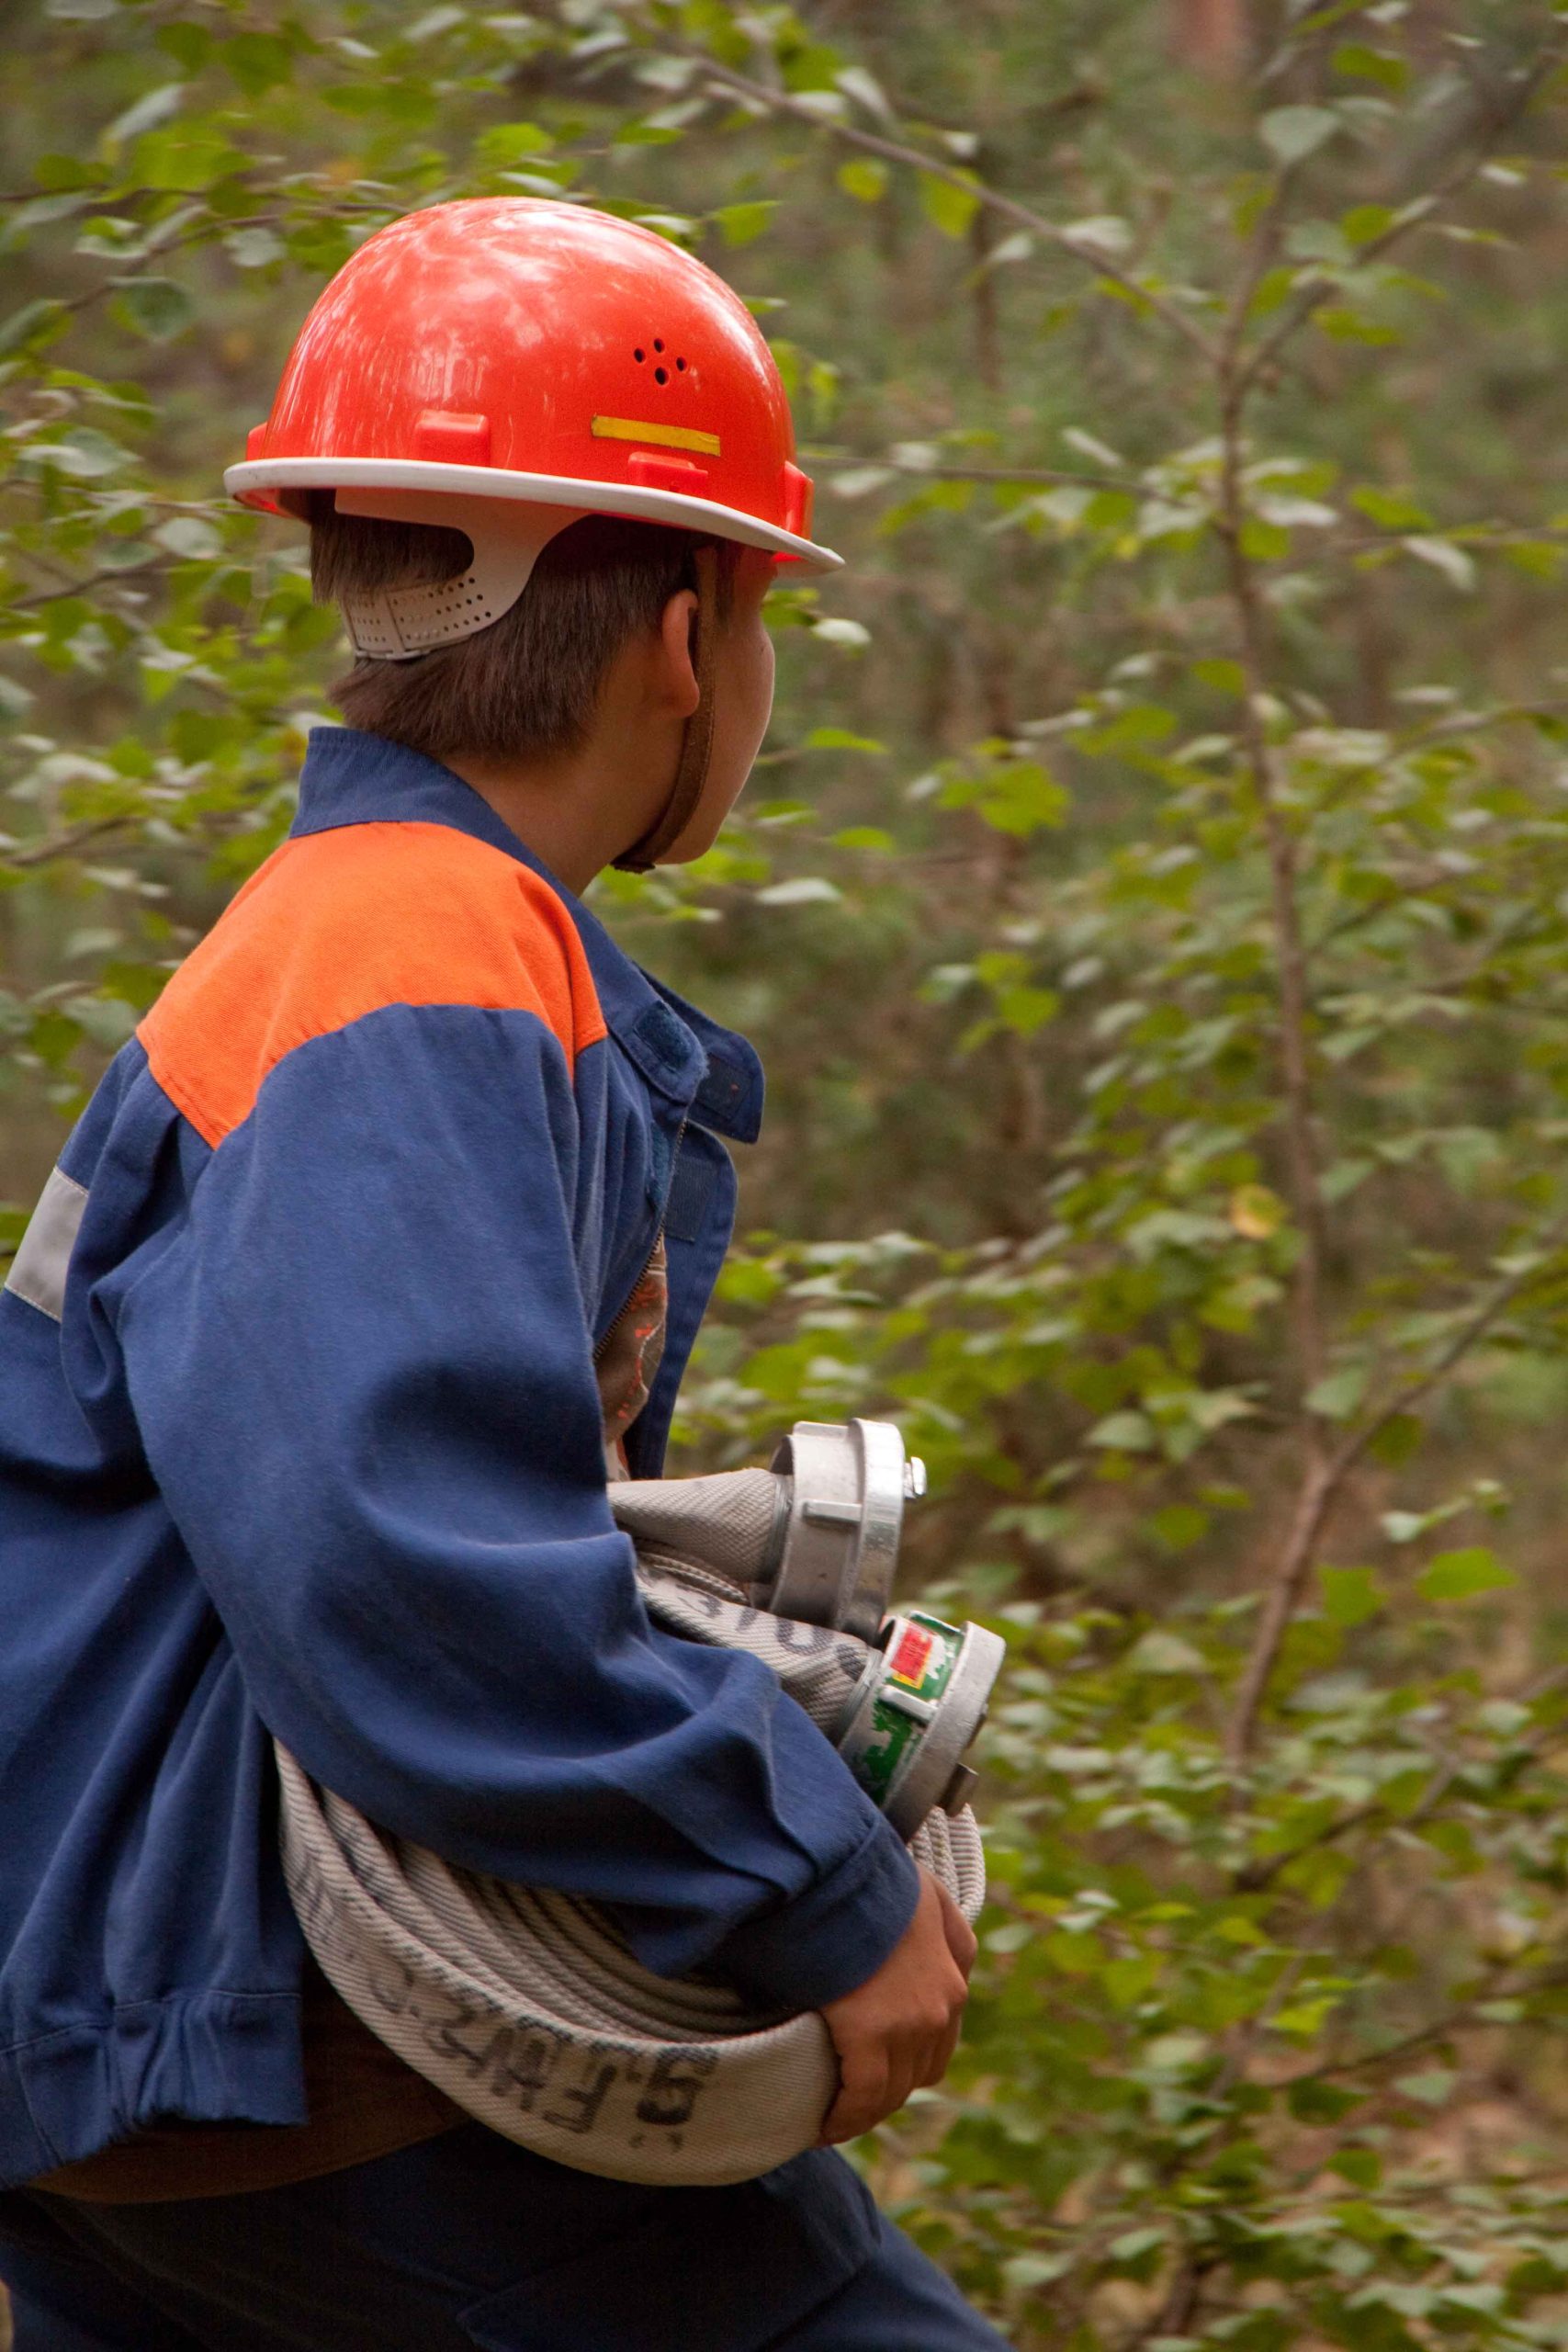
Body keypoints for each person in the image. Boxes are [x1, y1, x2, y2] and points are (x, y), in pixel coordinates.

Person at [0, 200, 1010, 2349]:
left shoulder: (344, 938)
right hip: (313, 2073)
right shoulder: (413, 950)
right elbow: (409, 1560)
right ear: (687, 634)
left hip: (140, 2081)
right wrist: (813, 1882)